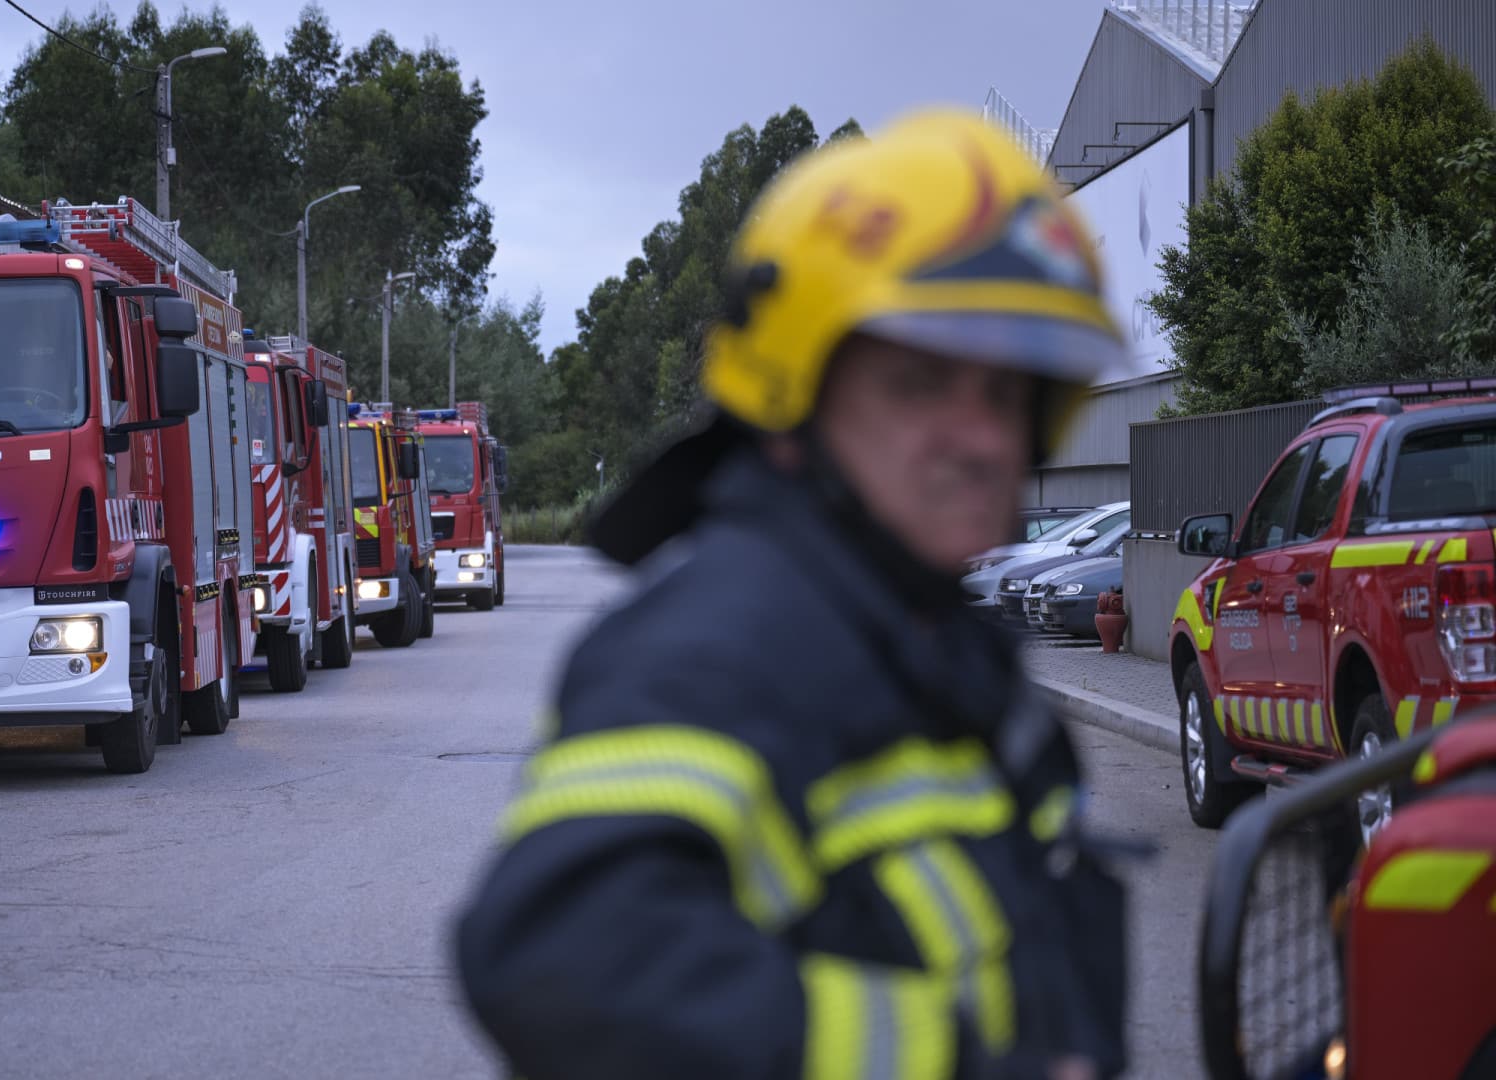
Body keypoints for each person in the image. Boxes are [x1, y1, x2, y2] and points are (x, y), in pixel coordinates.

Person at [455, 109, 1134, 1080]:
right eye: (920, 383)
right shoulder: (716, 645)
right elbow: (560, 959)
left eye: (1004, 395)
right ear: (791, 398)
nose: (981, 438)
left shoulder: (918, 631)